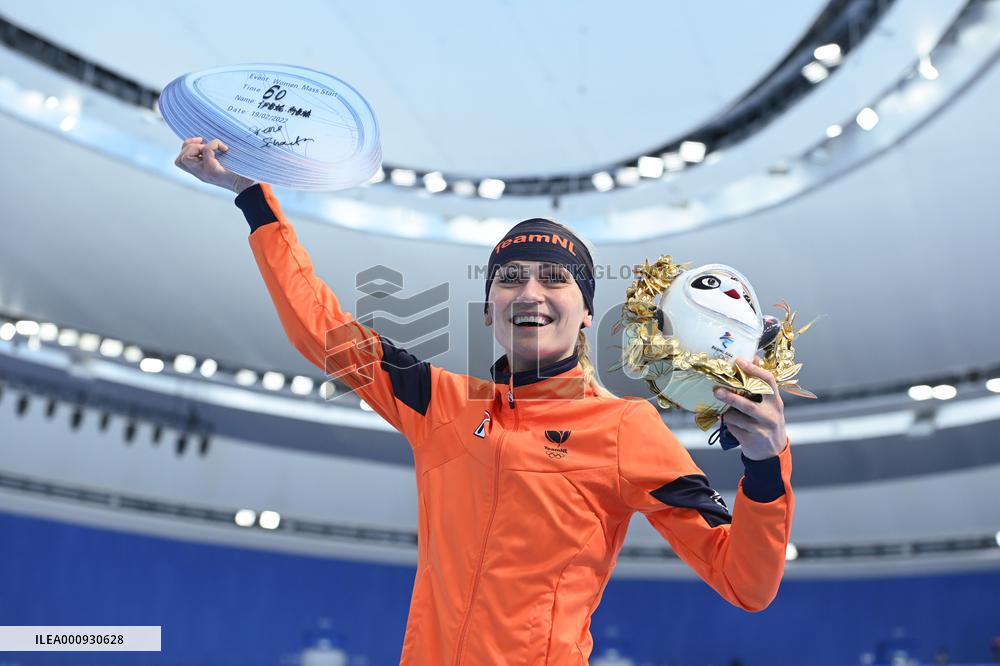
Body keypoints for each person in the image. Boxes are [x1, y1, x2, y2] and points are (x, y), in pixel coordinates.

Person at [175, 138, 795, 665]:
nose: (531, 292)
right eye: (511, 278)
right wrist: (253, 197)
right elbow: (322, 329)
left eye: (554, 280)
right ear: (488, 308)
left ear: (584, 315)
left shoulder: (625, 428)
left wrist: (766, 466)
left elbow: (745, 583)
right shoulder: (438, 400)